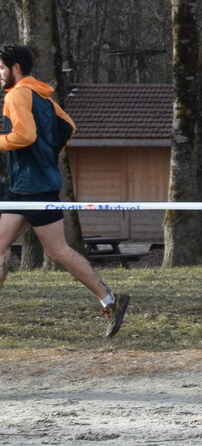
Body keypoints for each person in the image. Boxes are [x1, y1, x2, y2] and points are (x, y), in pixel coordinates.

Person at [0, 44, 130, 336]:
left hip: (35, 188)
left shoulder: (17, 94)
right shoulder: (41, 95)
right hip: (23, 185)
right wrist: (47, 156)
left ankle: (110, 299)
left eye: (1, 68)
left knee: (57, 251)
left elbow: (24, 135)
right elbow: (68, 126)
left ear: (15, 68)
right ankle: (110, 299)